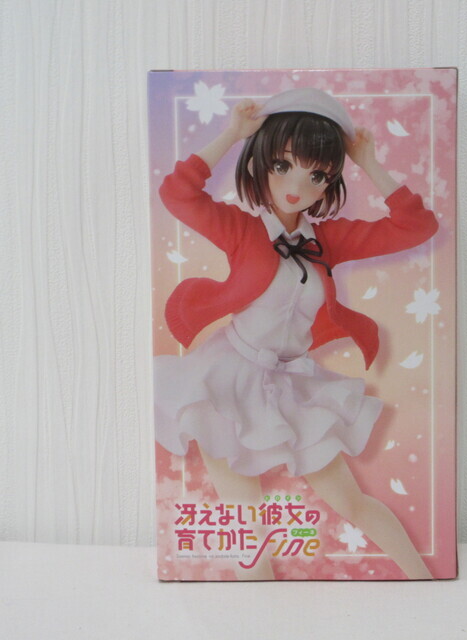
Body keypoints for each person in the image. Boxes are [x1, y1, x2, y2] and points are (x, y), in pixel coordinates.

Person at [155, 88, 438, 579]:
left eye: (317, 174)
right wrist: (232, 134)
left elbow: (416, 227)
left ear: (330, 180)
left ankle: (426, 584)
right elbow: (177, 193)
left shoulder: (327, 241)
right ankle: (260, 614)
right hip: (227, 382)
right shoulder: (241, 229)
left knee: (351, 501)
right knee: (248, 522)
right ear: (261, 163)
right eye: (283, 165)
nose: (297, 186)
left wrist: (369, 163)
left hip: (292, 385)